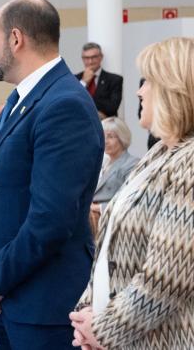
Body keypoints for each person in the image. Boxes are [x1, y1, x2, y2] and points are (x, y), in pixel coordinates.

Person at [0, 0, 103, 350]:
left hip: (45, 303)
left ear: (15, 38)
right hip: (13, 297)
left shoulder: (63, 104)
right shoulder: (20, 99)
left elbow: (50, 219)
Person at [70, 37, 194, 350]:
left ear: (172, 88)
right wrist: (87, 313)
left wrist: (104, 328)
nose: (139, 91)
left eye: (147, 82)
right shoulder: (158, 155)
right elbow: (110, 245)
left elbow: (168, 277)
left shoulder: (190, 162)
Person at [89, 117, 139, 235]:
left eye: (110, 136)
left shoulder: (132, 163)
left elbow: (130, 200)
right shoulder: (101, 163)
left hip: (110, 220)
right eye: (103, 136)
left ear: (122, 138)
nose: (105, 141)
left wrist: (99, 208)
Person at [75, 42, 123, 118]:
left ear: (101, 57)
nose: (90, 61)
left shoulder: (114, 79)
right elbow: (73, 101)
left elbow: (112, 107)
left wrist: (85, 101)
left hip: (106, 127)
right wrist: (83, 83)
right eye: (86, 58)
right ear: (82, 59)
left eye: (94, 57)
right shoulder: (75, 79)